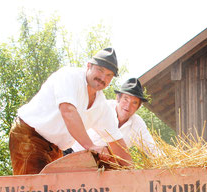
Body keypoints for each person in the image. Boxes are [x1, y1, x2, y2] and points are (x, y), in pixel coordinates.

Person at [9, 47, 131, 175]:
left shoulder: (102, 107)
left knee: (58, 191)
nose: (102, 77)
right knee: (36, 190)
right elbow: (68, 111)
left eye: (109, 75)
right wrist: (91, 146)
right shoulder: (69, 76)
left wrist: (136, 172)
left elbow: (116, 141)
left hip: (55, 148)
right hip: (29, 134)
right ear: (89, 66)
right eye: (100, 70)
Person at [85, 77, 157, 154]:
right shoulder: (103, 107)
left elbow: (152, 148)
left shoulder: (137, 124)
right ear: (118, 98)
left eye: (134, 103)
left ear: (138, 107)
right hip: (78, 152)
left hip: (105, 164)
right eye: (126, 99)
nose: (128, 105)